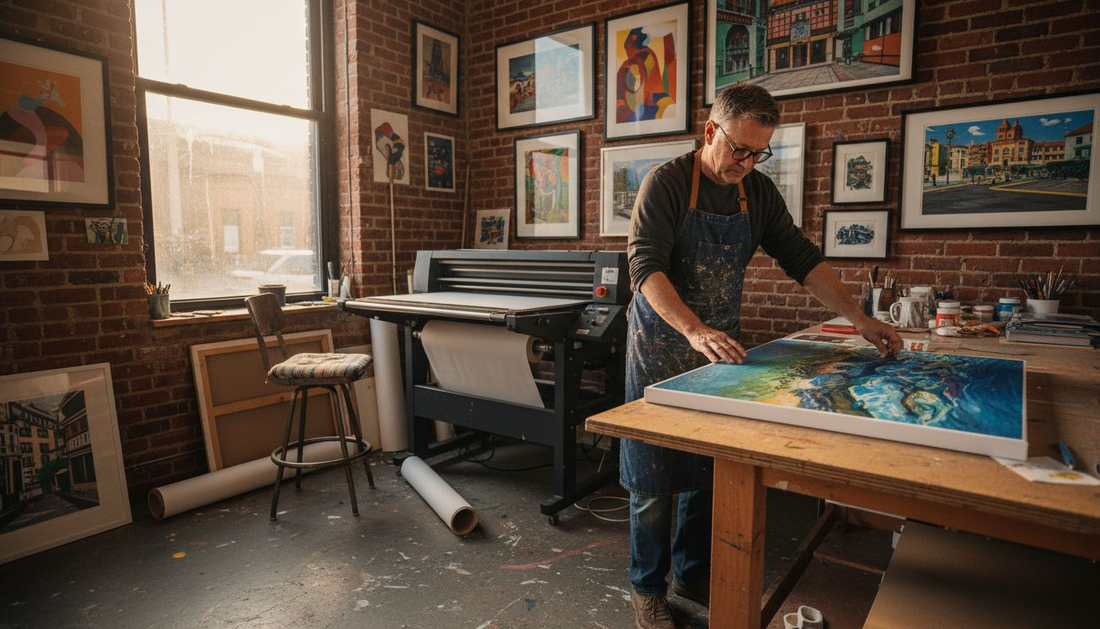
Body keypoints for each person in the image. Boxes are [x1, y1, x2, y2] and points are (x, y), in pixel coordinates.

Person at [623, 83, 901, 629]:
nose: (746, 164)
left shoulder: (758, 193)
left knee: (709, 471)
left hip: (719, 351)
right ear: (710, 132)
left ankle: (691, 575)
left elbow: (802, 258)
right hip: (662, 346)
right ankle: (647, 589)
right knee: (654, 481)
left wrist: (861, 319)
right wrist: (693, 327)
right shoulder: (667, 183)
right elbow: (644, 269)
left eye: (759, 153)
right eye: (739, 150)